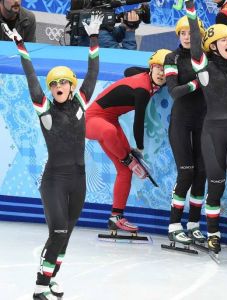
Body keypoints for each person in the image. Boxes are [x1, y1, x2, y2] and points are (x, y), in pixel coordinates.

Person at [1, 13, 101, 300]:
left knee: (66, 234)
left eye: (63, 82)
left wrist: (94, 38)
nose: (58, 86)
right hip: (55, 180)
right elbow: (31, 75)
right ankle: (39, 286)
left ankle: (50, 280)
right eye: (54, 83)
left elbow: (93, 73)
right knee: (58, 230)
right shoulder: (44, 109)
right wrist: (20, 44)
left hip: (78, 180)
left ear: (71, 85)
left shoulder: (81, 103)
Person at [184, 0, 227, 256]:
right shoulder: (203, 66)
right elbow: (194, 36)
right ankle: (213, 234)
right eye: (223, 40)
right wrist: (191, 10)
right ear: (212, 45)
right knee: (217, 185)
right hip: (214, 133)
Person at [85, 48, 171, 235]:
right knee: (117, 146)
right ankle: (127, 159)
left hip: (111, 120)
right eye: (158, 69)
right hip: (93, 120)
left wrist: (129, 157)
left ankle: (116, 217)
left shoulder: (150, 77)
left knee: (125, 171)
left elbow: (128, 71)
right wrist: (134, 151)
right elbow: (139, 122)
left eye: (166, 70)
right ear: (151, 68)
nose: (162, 74)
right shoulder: (143, 90)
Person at [164, 16, 207, 246]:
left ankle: (193, 224)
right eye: (183, 33)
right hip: (181, 123)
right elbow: (174, 91)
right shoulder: (173, 58)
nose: (188, 37)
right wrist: (197, 84)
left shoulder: (206, 58)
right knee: (187, 174)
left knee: (202, 173)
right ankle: (173, 225)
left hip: (203, 122)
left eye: (191, 32)